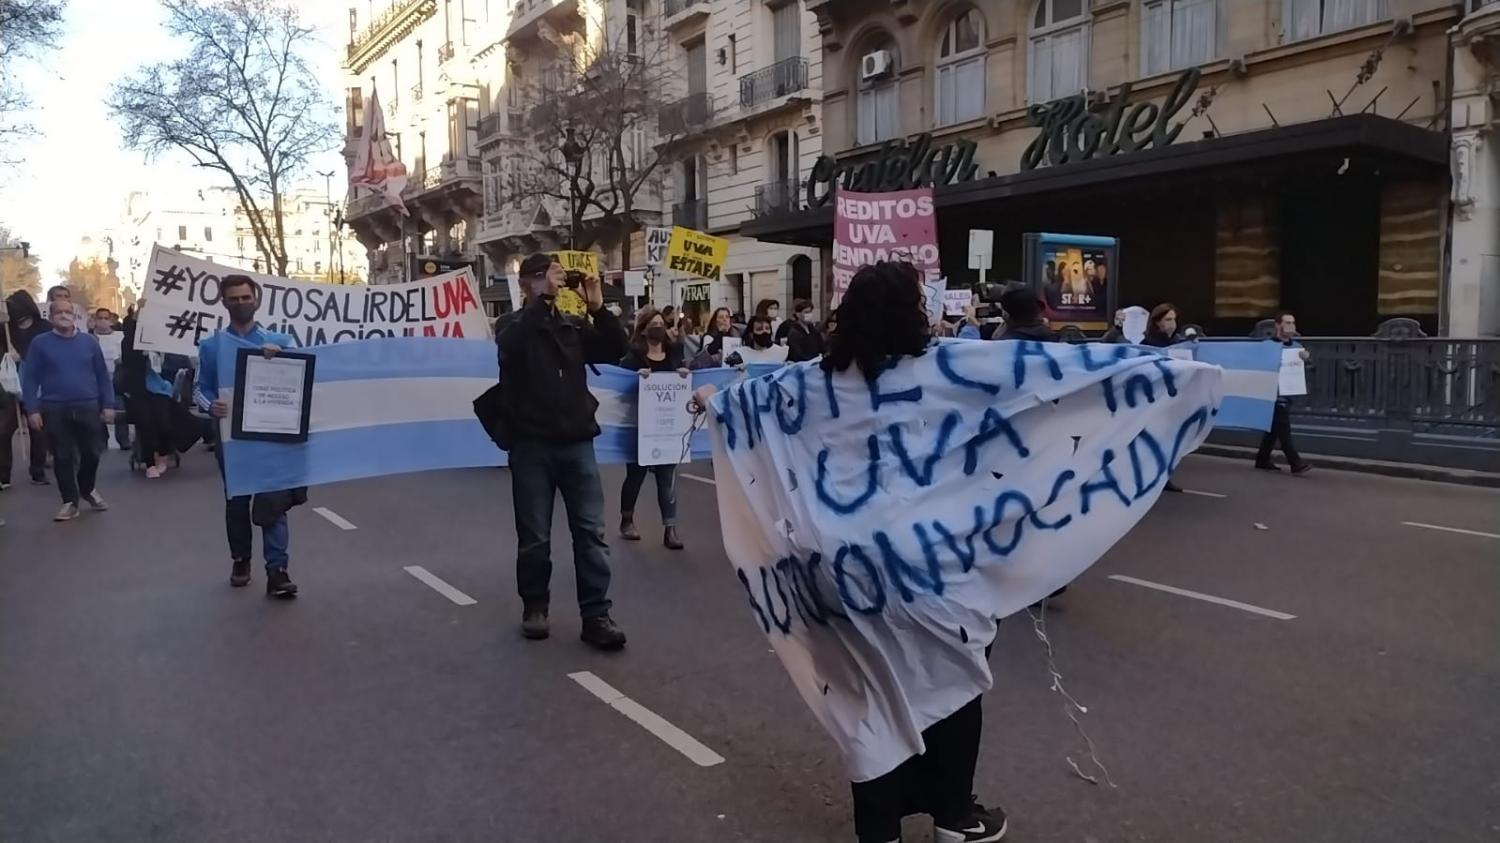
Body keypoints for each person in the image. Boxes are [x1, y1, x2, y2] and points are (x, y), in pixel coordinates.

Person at [691, 261, 1008, 843]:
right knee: (955, 682)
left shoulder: (814, 378)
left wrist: (711, 397)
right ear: (913, 310)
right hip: (928, 571)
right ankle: (955, 817)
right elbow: (1044, 379)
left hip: (841, 573)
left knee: (866, 700)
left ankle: (880, 832)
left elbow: (749, 401)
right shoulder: (946, 368)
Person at [495, 252, 629, 650]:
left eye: (552, 275)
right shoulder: (512, 325)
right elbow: (513, 345)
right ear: (525, 284)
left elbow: (613, 348)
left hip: (576, 443)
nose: (552, 281)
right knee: (535, 535)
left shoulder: (572, 326)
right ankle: (535, 606)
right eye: (541, 276)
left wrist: (598, 307)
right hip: (532, 445)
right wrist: (542, 299)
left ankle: (596, 614)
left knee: (591, 533)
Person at [194, 274, 300, 598]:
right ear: (224, 302)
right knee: (237, 501)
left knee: (273, 501)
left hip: (271, 436)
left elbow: (304, 376)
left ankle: (277, 571)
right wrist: (210, 405)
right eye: (234, 299)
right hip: (232, 438)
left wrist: (282, 357)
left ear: (256, 299)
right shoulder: (211, 347)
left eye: (246, 297)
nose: (241, 303)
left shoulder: (282, 341)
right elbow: (201, 387)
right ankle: (241, 559)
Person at [20, 295, 114, 522]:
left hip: (88, 405)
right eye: (58, 312)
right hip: (54, 409)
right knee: (62, 456)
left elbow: (102, 375)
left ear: (75, 316)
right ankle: (70, 502)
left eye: (68, 312)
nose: (64, 315)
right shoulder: (40, 343)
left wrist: (108, 404)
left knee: (92, 452)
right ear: (51, 318)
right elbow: (30, 378)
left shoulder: (89, 343)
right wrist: (32, 409)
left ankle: (87, 488)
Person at [618, 307, 689, 550]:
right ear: (644, 329)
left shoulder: (673, 355)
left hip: (667, 429)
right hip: (641, 428)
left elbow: (685, 383)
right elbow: (620, 389)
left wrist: (682, 374)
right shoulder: (633, 358)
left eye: (662, 322)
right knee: (635, 476)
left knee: (666, 478)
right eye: (654, 323)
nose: (659, 326)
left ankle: (670, 529)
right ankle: (627, 520)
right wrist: (635, 378)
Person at [2, 290, 53, 487]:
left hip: (37, 387)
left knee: (38, 431)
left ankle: (38, 471)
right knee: (4, 431)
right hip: (12, 386)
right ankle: (3, 474)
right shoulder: (6, 329)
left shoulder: (44, 328)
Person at [121, 313, 177, 479]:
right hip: (139, 390)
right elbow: (128, 362)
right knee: (145, 424)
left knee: (164, 423)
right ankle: (149, 463)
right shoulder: (129, 342)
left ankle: (163, 455)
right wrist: (142, 354)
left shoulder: (162, 339)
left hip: (161, 389)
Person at [1257, 311, 1312, 475]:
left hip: (1288, 393)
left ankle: (1262, 459)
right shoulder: (1268, 345)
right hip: (1272, 394)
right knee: (1283, 429)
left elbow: (1307, 368)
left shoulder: (1296, 347)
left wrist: (1307, 359)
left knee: (1273, 430)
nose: (1291, 326)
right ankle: (1296, 463)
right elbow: (1260, 366)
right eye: (1287, 323)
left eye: (1293, 323)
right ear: (1277, 325)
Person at [91, 308, 129, 451]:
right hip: (97, 380)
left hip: (117, 380)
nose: (103, 321)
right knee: (97, 410)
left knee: (119, 408)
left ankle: (123, 439)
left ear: (111, 320)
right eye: (99, 318)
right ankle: (101, 440)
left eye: (106, 318)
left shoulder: (120, 337)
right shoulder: (90, 338)